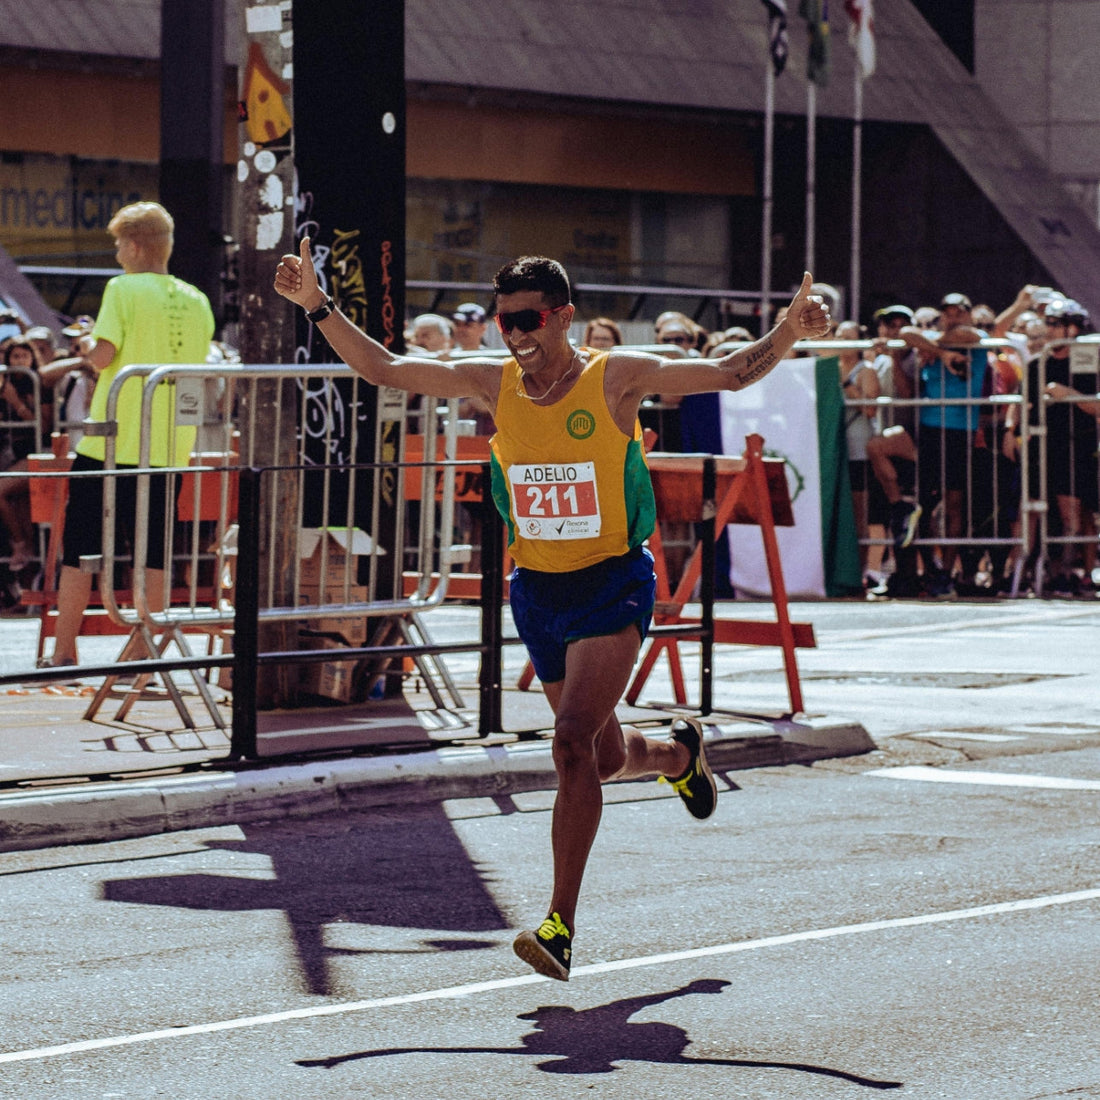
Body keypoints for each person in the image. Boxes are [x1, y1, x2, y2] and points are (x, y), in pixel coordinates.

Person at [274, 240, 832, 980]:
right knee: (600, 756)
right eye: (506, 321)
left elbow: (729, 372)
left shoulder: (614, 377)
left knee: (569, 745)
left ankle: (559, 926)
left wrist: (790, 329)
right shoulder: (492, 380)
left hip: (611, 584)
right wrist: (317, 305)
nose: (516, 334)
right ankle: (677, 753)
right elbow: (384, 368)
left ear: (563, 314)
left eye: (530, 318)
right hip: (537, 590)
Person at [40, 201, 214, 671]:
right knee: (154, 551)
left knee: (79, 548)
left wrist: (83, 350)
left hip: (112, 442)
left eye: (119, 244)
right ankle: (141, 651)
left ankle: (63, 652)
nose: (117, 254)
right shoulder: (197, 299)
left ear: (135, 246)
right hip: (170, 447)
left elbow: (104, 356)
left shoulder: (122, 288)